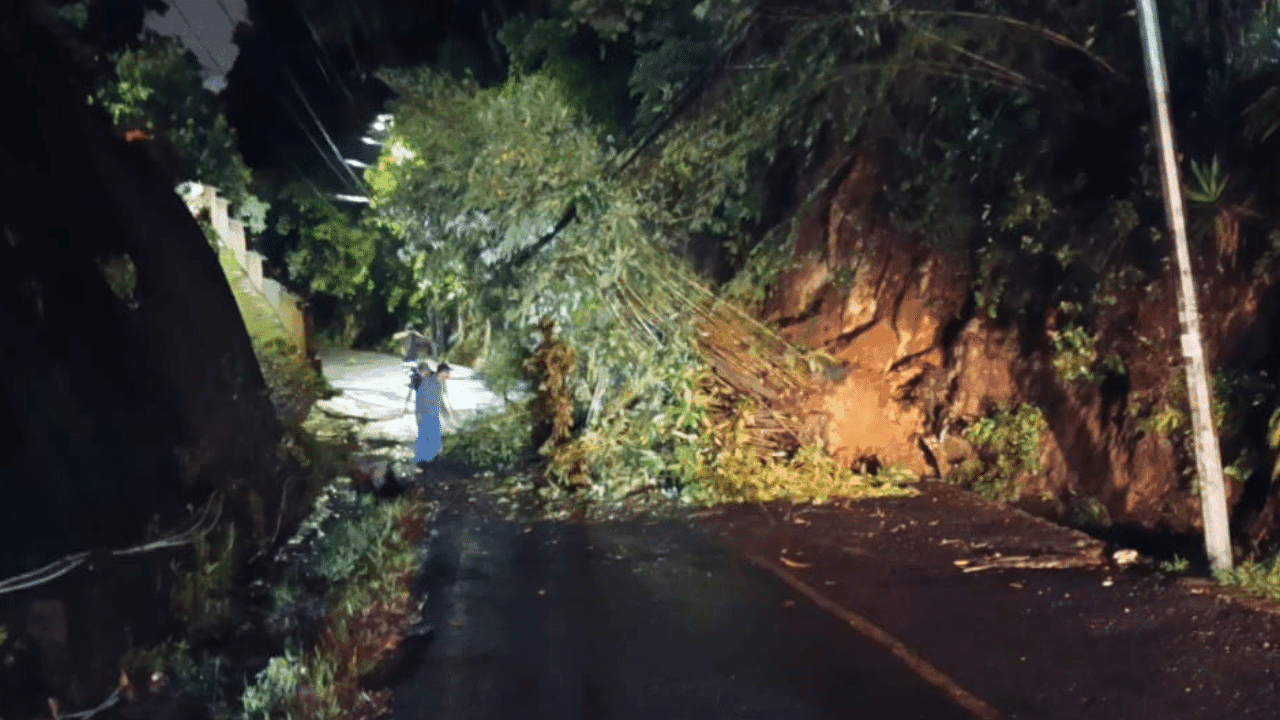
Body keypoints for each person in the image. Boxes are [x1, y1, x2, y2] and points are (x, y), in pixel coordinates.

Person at [414, 362, 454, 469]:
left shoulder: (437, 382)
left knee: (433, 438)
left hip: (431, 414)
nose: (449, 375)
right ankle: (422, 463)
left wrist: (444, 411)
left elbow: (438, 400)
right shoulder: (431, 381)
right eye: (447, 372)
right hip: (425, 414)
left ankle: (429, 462)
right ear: (442, 372)